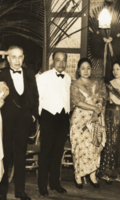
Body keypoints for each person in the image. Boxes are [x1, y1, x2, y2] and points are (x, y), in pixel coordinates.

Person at [0, 46, 39, 200]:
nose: (17, 60)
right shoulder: (1, 74)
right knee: (5, 157)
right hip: (6, 122)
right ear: (8, 59)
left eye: (20, 57)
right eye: (13, 57)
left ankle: (20, 191)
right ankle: (2, 192)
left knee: (20, 156)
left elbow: (35, 95)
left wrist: (34, 115)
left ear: (23, 58)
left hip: (24, 121)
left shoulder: (29, 73)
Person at [36, 51, 71, 196]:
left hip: (63, 118)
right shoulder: (43, 77)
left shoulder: (68, 78)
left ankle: (55, 183)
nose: (61, 63)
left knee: (58, 152)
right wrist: (42, 119)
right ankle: (42, 185)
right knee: (46, 152)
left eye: (63, 60)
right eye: (58, 60)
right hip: (48, 116)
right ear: (53, 61)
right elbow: (38, 98)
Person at [70, 58, 106, 189]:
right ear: (78, 70)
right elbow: (77, 101)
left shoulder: (97, 83)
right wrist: (93, 108)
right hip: (80, 120)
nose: (86, 71)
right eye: (83, 68)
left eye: (88, 68)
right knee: (80, 147)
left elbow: (102, 96)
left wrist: (100, 105)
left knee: (94, 147)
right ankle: (78, 176)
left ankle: (92, 175)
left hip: (95, 118)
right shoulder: (74, 84)